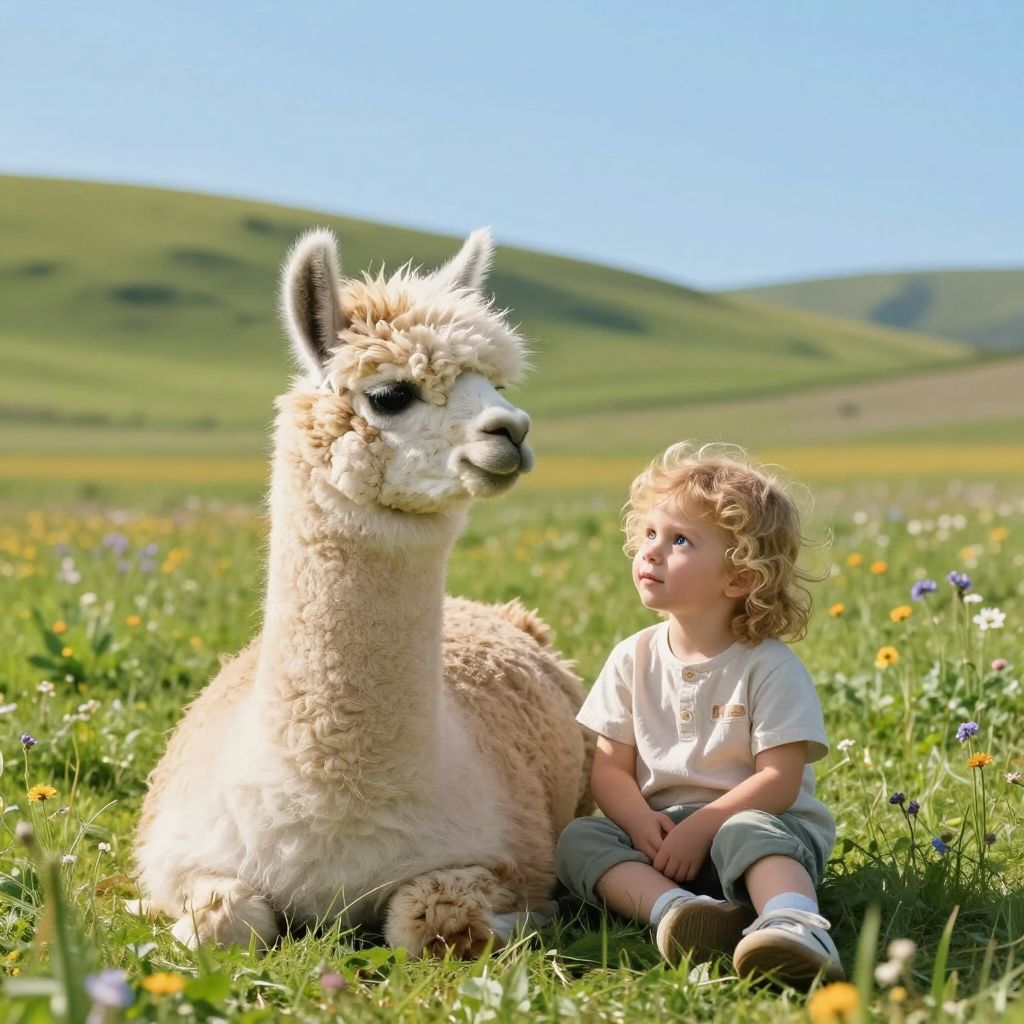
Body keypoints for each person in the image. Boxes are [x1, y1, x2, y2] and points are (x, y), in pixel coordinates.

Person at [556, 442, 843, 985]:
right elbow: (610, 769)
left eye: (679, 540)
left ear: (739, 578)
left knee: (749, 833)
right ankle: (680, 913)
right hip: (661, 838)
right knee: (580, 839)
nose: (651, 552)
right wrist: (640, 823)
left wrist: (707, 824)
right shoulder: (632, 658)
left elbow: (779, 781)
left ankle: (794, 923)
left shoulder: (769, 666)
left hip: (761, 825)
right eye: (649, 534)